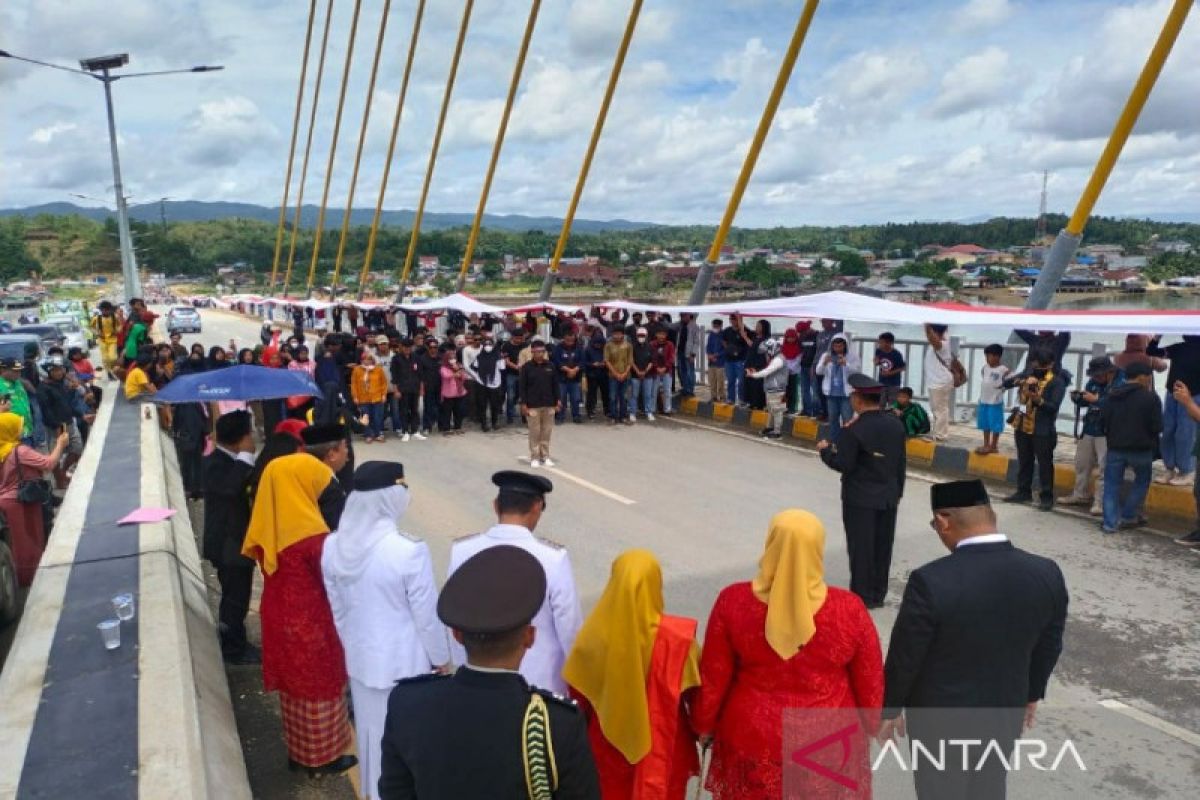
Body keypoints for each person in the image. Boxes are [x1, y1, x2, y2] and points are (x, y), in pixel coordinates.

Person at [880, 479, 1068, 800]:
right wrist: (1031, 694)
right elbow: (1049, 644)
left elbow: (906, 656)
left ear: (943, 521)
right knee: (989, 787)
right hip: (1004, 711)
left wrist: (890, 709)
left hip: (939, 722)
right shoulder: (1046, 572)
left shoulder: (931, 580)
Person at [378, 545, 600, 799]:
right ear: (529, 637)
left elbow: (395, 793)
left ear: (457, 635)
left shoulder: (408, 703)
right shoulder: (558, 724)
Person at [692, 510, 883, 800]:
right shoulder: (850, 610)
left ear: (771, 544)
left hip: (752, 738)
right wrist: (871, 725)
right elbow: (870, 681)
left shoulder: (733, 602)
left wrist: (704, 726)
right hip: (829, 740)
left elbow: (714, 676)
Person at [323, 462, 450, 800]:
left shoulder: (333, 547)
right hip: (407, 665)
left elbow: (338, 612)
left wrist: (354, 646)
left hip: (363, 662)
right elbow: (426, 617)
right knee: (410, 743)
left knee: (371, 736)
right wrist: (441, 659)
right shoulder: (408, 550)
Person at [242, 452, 356, 778]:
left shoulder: (270, 524)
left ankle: (299, 754)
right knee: (321, 689)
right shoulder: (311, 537)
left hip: (278, 617)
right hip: (311, 624)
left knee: (294, 695)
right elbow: (335, 580)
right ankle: (321, 761)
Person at [563, 550, 700, 799]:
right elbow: (695, 698)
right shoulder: (678, 640)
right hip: (665, 745)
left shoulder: (592, 639)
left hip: (606, 745)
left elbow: (578, 700)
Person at [447, 471, 582, 694]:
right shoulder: (553, 558)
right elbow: (570, 628)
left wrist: (464, 668)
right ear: (537, 507)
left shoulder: (462, 551)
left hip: (476, 679)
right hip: (539, 683)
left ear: (495, 506)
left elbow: (454, 619)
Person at [818, 374, 907, 608]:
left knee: (861, 548)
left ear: (858, 399)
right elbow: (900, 463)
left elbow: (844, 464)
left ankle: (862, 597)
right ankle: (878, 593)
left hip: (860, 498)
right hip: (888, 497)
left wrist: (826, 451)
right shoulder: (895, 424)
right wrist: (897, 492)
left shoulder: (854, 429)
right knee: (882, 546)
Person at [202, 411, 261, 665]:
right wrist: (246, 457)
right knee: (235, 598)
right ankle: (233, 649)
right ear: (242, 438)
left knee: (239, 594)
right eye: (251, 432)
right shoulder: (216, 463)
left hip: (235, 542)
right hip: (228, 545)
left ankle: (237, 639)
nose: (255, 437)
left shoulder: (229, 461)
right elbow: (229, 489)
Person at [0, 413, 68, 587]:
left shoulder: (3, 450)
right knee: (29, 540)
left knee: (18, 541)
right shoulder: (20, 451)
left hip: (7, 501)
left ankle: (23, 578)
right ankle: (33, 579)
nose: (22, 429)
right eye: (18, 425)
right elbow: (49, 464)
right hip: (22, 501)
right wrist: (60, 444)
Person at [1099, 362, 1162, 534]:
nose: (1149, 380)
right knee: (1142, 481)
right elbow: (1158, 427)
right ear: (1142, 376)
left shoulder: (1112, 396)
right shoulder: (1151, 398)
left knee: (1111, 485)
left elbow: (1103, 420)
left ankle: (1109, 524)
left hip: (1116, 448)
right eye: (1149, 376)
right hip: (1141, 450)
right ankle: (1128, 515)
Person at [1002, 349, 1067, 511]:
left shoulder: (1057, 383)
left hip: (1042, 429)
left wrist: (1038, 400)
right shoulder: (1028, 376)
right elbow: (1005, 384)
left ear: (1051, 364)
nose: (1038, 368)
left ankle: (1046, 496)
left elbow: (1053, 408)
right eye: (1035, 364)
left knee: (1044, 463)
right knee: (1024, 460)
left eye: (1042, 365)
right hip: (1022, 425)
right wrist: (1017, 381)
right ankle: (1023, 491)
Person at [1061, 356, 1121, 515]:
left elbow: (1118, 405)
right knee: (1082, 463)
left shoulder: (1120, 382)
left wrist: (1097, 399)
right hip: (1090, 427)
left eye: (1099, 375)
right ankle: (1080, 494)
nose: (1096, 378)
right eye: (1094, 375)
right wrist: (1079, 399)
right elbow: (1087, 400)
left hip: (1107, 430)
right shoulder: (1094, 382)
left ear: (1109, 372)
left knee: (1104, 467)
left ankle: (1100, 502)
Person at [1147, 334, 1200, 486]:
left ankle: (1187, 471)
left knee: (1185, 433)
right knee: (1168, 430)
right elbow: (1151, 351)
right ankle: (1169, 468)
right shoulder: (1178, 348)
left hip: (1193, 395)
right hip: (1173, 393)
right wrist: (1157, 337)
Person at [301, 423, 351, 530]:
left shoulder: (301, 477)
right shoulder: (330, 490)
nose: (348, 452)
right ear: (332, 455)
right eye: (345, 446)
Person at [520, 340, 561, 469]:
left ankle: (545, 456)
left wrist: (558, 400)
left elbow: (555, 385)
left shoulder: (551, 366)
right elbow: (522, 387)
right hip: (533, 405)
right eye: (537, 351)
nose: (540, 354)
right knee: (534, 432)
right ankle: (535, 457)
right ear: (532, 352)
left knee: (546, 431)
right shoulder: (526, 367)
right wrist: (523, 404)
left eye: (542, 351)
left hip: (549, 404)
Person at [815, 333, 860, 438]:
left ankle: (848, 443)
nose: (838, 348)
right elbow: (818, 371)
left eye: (840, 346)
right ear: (832, 345)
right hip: (831, 393)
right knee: (833, 419)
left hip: (846, 394)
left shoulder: (852, 356)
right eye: (835, 346)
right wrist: (824, 363)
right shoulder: (826, 355)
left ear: (845, 345)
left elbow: (857, 371)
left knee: (847, 419)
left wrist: (846, 364)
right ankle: (834, 442)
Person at [923, 323, 956, 442]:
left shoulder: (942, 344)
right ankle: (937, 432)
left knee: (940, 409)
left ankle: (940, 434)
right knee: (936, 408)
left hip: (940, 381)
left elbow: (932, 338)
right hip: (936, 381)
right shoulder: (943, 338)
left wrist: (927, 326)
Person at [976, 343, 1011, 455]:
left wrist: (1003, 387)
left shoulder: (1003, 370)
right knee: (985, 423)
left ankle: (994, 445)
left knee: (995, 424)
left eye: (989, 356)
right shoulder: (985, 368)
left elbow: (1010, 381)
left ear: (997, 357)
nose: (987, 359)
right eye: (986, 356)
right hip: (984, 400)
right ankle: (986, 444)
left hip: (995, 402)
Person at [390, 338, 424, 442]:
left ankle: (415, 431)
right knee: (403, 410)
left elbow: (420, 375)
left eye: (409, 347)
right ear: (401, 347)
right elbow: (394, 376)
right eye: (405, 347)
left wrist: (421, 389)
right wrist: (396, 391)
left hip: (415, 387)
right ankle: (405, 431)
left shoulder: (416, 358)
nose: (407, 349)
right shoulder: (396, 359)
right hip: (402, 389)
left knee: (415, 410)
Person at [469, 335, 505, 432]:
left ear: (493, 345)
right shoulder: (479, 356)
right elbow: (474, 368)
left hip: (495, 383)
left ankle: (494, 422)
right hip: (482, 383)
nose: (488, 346)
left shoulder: (498, 356)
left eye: (490, 344)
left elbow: (502, 368)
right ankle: (484, 424)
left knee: (495, 404)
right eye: (486, 344)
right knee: (482, 405)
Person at [351, 353, 389, 444]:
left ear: (372, 360)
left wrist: (384, 395)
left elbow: (384, 383)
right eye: (364, 359)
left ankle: (378, 433)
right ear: (361, 360)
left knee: (377, 417)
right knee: (365, 417)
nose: (367, 361)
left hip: (377, 397)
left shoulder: (378, 369)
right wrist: (355, 396)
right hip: (363, 398)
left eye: (369, 359)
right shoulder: (357, 370)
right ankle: (368, 434)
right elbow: (354, 384)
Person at [552, 331, 585, 424]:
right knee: (561, 397)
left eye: (572, 340)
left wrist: (575, 370)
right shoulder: (558, 348)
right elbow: (556, 361)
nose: (570, 342)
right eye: (568, 340)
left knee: (576, 398)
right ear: (564, 338)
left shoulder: (579, 348)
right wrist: (568, 370)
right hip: (561, 378)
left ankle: (576, 416)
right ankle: (559, 416)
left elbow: (582, 361)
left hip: (575, 377)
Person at [721, 314, 753, 405]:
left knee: (741, 381)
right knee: (731, 380)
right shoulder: (727, 331)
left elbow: (750, 339)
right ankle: (731, 399)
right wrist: (728, 349)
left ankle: (742, 399)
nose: (733, 321)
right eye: (731, 319)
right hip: (729, 360)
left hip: (741, 359)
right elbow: (723, 341)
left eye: (735, 319)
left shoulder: (744, 330)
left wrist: (742, 328)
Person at [604, 327, 634, 425]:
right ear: (612, 334)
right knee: (613, 397)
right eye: (615, 333)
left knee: (624, 397)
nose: (617, 335)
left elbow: (630, 361)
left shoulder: (628, 345)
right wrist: (616, 374)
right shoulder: (608, 345)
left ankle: (623, 417)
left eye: (619, 333)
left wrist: (625, 373)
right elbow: (606, 361)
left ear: (623, 334)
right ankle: (613, 417)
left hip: (626, 376)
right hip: (613, 376)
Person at [437, 348, 468, 435]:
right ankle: (446, 429)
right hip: (448, 394)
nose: (452, 360)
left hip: (459, 393)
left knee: (458, 411)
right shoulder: (444, 367)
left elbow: (464, 376)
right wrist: (454, 374)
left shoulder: (459, 365)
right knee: (447, 412)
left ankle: (457, 427)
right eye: (450, 358)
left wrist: (458, 369)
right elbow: (445, 375)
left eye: (454, 358)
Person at [502, 328, 529, 424]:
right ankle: (509, 416)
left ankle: (524, 416)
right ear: (512, 337)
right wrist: (517, 367)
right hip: (511, 374)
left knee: (522, 396)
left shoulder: (525, 345)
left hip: (524, 375)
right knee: (510, 396)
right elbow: (506, 361)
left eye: (521, 338)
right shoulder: (506, 346)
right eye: (517, 338)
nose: (519, 340)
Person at [874, 332, 906, 408]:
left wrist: (890, 373)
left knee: (892, 405)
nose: (880, 344)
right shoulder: (878, 351)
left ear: (889, 343)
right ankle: (881, 418)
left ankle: (891, 419)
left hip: (894, 384)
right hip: (881, 382)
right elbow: (877, 361)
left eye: (882, 342)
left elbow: (902, 368)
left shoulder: (896, 354)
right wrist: (876, 362)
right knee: (880, 403)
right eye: (879, 342)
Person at [91, 300, 122, 379]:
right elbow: (91, 327)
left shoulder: (115, 317)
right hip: (102, 340)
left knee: (113, 358)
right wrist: (97, 333)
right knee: (105, 358)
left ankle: (111, 369)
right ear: (100, 310)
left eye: (106, 310)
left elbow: (120, 326)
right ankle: (109, 372)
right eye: (103, 310)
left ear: (110, 309)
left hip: (112, 340)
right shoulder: (96, 318)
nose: (105, 311)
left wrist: (117, 331)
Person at [583, 330, 610, 420]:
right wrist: (592, 364)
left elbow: (610, 360)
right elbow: (584, 362)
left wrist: (605, 364)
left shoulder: (606, 348)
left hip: (604, 374)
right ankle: (590, 411)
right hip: (592, 375)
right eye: (596, 343)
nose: (598, 345)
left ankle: (607, 410)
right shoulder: (588, 349)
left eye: (600, 343)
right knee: (591, 394)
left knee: (605, 394)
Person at [675, 313, 700, 397]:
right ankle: (685, 388)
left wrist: (693, 354)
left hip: (689, 353)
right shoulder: (681, 325)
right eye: (681, 316)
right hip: (680, 352)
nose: (683, 317)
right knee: (682, 371)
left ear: (689, 315)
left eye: (685, 316)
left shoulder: (694, 326)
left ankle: (690, 390)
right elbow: (671, 326)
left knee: (690, 372)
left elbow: (696, 342)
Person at [705, 318, 727, 403]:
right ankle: (713, 396)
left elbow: (725, 349)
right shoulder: (711, 334)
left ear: (721, 326)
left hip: (720, 362)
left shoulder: (723, 335)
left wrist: (717, 355)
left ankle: (722, 396)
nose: (715, 328)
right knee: (712, 380)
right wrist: (709, 355)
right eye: (714, 326)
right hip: (711, 362)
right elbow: (708, 346)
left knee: (720, 381)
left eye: (717, 326)